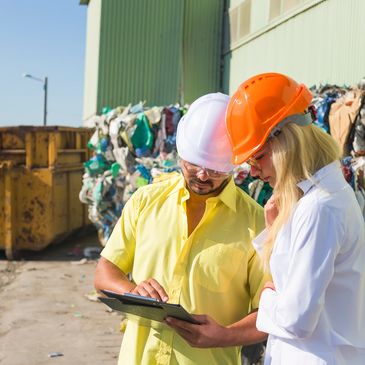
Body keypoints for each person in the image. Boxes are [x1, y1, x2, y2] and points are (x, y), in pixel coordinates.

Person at [94, 92, 268, 365]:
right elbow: (104, 274)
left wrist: (222, 336)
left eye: (215, 170)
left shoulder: (257, 223)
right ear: (181, 152)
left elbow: (270, 313)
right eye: (194, 164)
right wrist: (132, 291)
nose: (202, 176)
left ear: (234, 166)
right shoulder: (145, 202)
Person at [223, 72, 365, 364]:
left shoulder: (320, 207)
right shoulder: (320, 197)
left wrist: (265, 298)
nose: (252, 171)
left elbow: (297, 319)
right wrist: (273, 230)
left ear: (285, 140)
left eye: (256, 157)